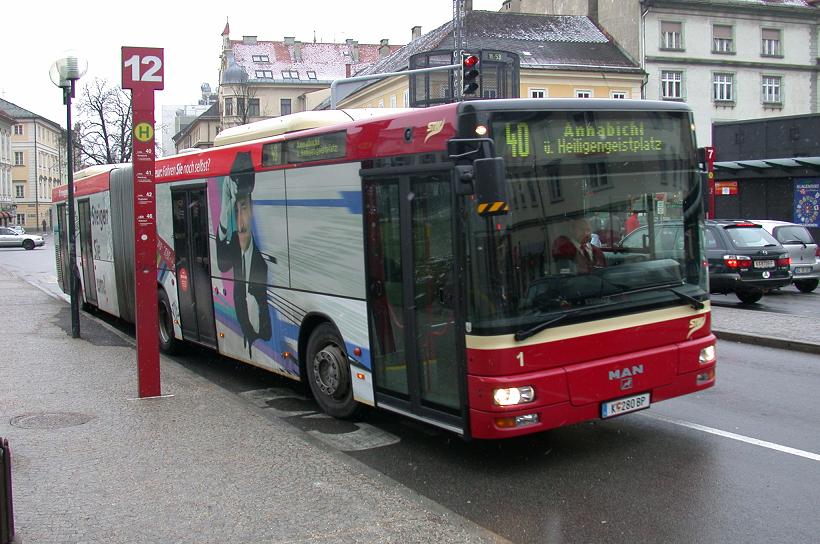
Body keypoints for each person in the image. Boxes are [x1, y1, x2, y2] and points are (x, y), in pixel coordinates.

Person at [216, 152, 272, 357]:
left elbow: (266, 330)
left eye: (245, 208)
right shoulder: (232, 246)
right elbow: (221, 265)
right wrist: (225, 206)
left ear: (252, 211)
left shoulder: (262, 263)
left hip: (258, 345)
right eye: (237, 210)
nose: (240, 218)